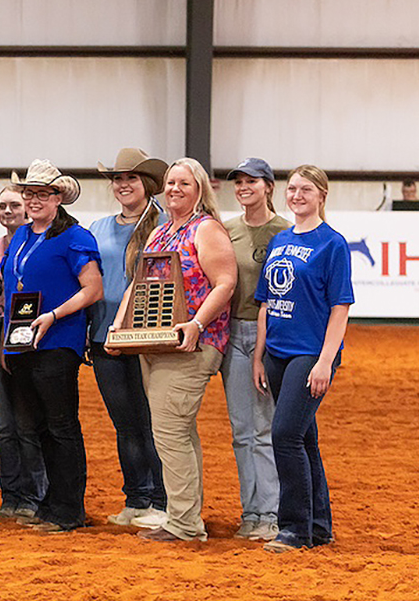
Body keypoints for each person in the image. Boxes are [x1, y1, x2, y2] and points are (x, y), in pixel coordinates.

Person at [110, 157, 237, 543]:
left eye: (184, 183)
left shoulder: (206, 229)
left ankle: (183, 524)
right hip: (157, 342)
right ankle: (186, 516)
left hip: (190, 345)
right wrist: (119, 324)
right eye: (170, 182)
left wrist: (197, 325)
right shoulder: (161, 233)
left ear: (200, 189)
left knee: (169, 432)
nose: (175, 189)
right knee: (177, 431)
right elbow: (138, 283)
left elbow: (226, 282)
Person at [254, 165, 353, 554]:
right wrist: (260, 356)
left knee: (285, 435)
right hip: (277, 352)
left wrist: (326, 361)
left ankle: (294, 528)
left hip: (309, 354)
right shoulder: (279, 239)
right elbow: (266, 304)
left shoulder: (332, 244)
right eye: (292, 188)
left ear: (321, 196)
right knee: (304, 438)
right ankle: (319, 525)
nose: (297, 195)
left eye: (306, 189)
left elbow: (340, 307)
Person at [2, 160, 102, 533]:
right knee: (40, 426)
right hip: (22, 344)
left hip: (58, 340)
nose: (34, 200)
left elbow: (93, 289)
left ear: (58, 197)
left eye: (43, 193)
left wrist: (54, 316)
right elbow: (15, 291)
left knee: (61, 426)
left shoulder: (75, 237)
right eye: (29, 193)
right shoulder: (22, 236)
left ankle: (69, 508)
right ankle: (52, 502)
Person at [89, 148, 168, 528]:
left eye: (130, 178)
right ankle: (137, 497)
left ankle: (162, 500)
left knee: (153, 422)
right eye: (117, 179)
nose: (122, 185)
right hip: (104, 336)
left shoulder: (165, 226)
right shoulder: (98, 228)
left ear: (146, 184)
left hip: (149, 337)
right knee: (126, 424)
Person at [222, 157, 290, 541]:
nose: (245, 187)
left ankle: (270, 512)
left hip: (273, 336)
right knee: (242, 429)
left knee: (263, 428)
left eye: (253, 181)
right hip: (233, 333)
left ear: (268, 187)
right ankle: (253, 511)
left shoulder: (286, 230)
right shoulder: (226, 230)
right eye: (240, 182)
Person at [0, 185, 48, 521]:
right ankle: (10, 496)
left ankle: (33, 495)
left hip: (26, 337)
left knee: (26, 422)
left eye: (14, 205)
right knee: (3, 425)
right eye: (2, 206)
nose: (8, 211)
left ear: (27, 209)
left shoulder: (38, 244)